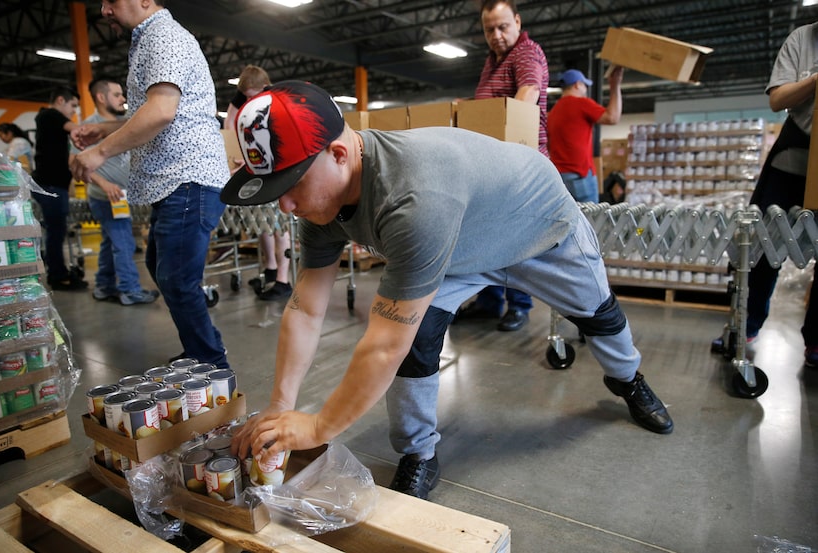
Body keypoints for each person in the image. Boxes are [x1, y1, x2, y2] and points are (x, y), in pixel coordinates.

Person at [227, 81, 674, 503]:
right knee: (418, 339)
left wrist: (319, 426)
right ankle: (418, 451)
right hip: (460, 247)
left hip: (538, 228)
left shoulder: (414, 198)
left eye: (291, 185)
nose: (284, 205)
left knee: (599, 316)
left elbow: (381, 346)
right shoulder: (323, 203)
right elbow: (305, 309)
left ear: (339, 154)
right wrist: (281, 410)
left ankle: (628, 380)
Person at [70, 0, 230, 368]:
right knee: (165, 269)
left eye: (112, 1)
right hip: (174, 181)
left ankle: (211, 361)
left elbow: (161, 111)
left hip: (187, 178)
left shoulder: (164, 36)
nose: (105, 10)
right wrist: (105, 129)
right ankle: (200, 353)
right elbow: (157, 111)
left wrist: (99, 153)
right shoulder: (148, 40)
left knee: (176, 278)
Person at [712, 21, 818, 366]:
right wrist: (816, 80)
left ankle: (816, 340)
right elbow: (778, 99)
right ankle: (745, 325)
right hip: (794, 154)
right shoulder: (802, 39)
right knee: (762, 245)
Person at [454, 0, 549, 332]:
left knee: (514, 238)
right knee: (487, 236)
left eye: (503, 27)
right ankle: (490, 301)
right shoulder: (493, 61)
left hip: (519, 163)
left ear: (518, 23)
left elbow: (527, 97)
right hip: (492, 162)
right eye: (489, 29)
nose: (496, 35)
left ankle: (519, 304)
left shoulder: (526, 53)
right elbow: (488, 106)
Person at [70, 77, 159, 306]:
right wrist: (104, 183)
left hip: (124, 197)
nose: (123, 99)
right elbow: (75, 163)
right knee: (124, 243)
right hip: (106, 197)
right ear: (101, 97)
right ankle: (130, 289)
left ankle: (104, 285)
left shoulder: (125, 124)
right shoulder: (88, 128)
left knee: (111, 243)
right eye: (117, 94)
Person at [224, 65, 292, 301]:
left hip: (276, 171)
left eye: (251, 96)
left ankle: (284, 280)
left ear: (264, 88)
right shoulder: (246, 102)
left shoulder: (276, 103)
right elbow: (230, 124)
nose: (248, 102)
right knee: (261, 223)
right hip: (255, 169)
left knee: (279, 225)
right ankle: (271, 269)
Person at [32, 86, 88, 291]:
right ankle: (58, 275)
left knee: (56, 231)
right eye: (72, 105)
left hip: (53, 185)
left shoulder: (50, 119)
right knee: (56, 232)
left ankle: (58, 271)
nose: (74, 110)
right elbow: (75, 128)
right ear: (60, 101)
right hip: (51, 185)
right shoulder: (49, 115)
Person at [547, 67, 624, 203]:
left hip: (560, 177)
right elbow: (612, 118)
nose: (585, 90)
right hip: (580, 175)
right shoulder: (580, 103)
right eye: (584, 86)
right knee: (590, 219)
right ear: (578, 85)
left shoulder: (554, 111)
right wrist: (615, 85)